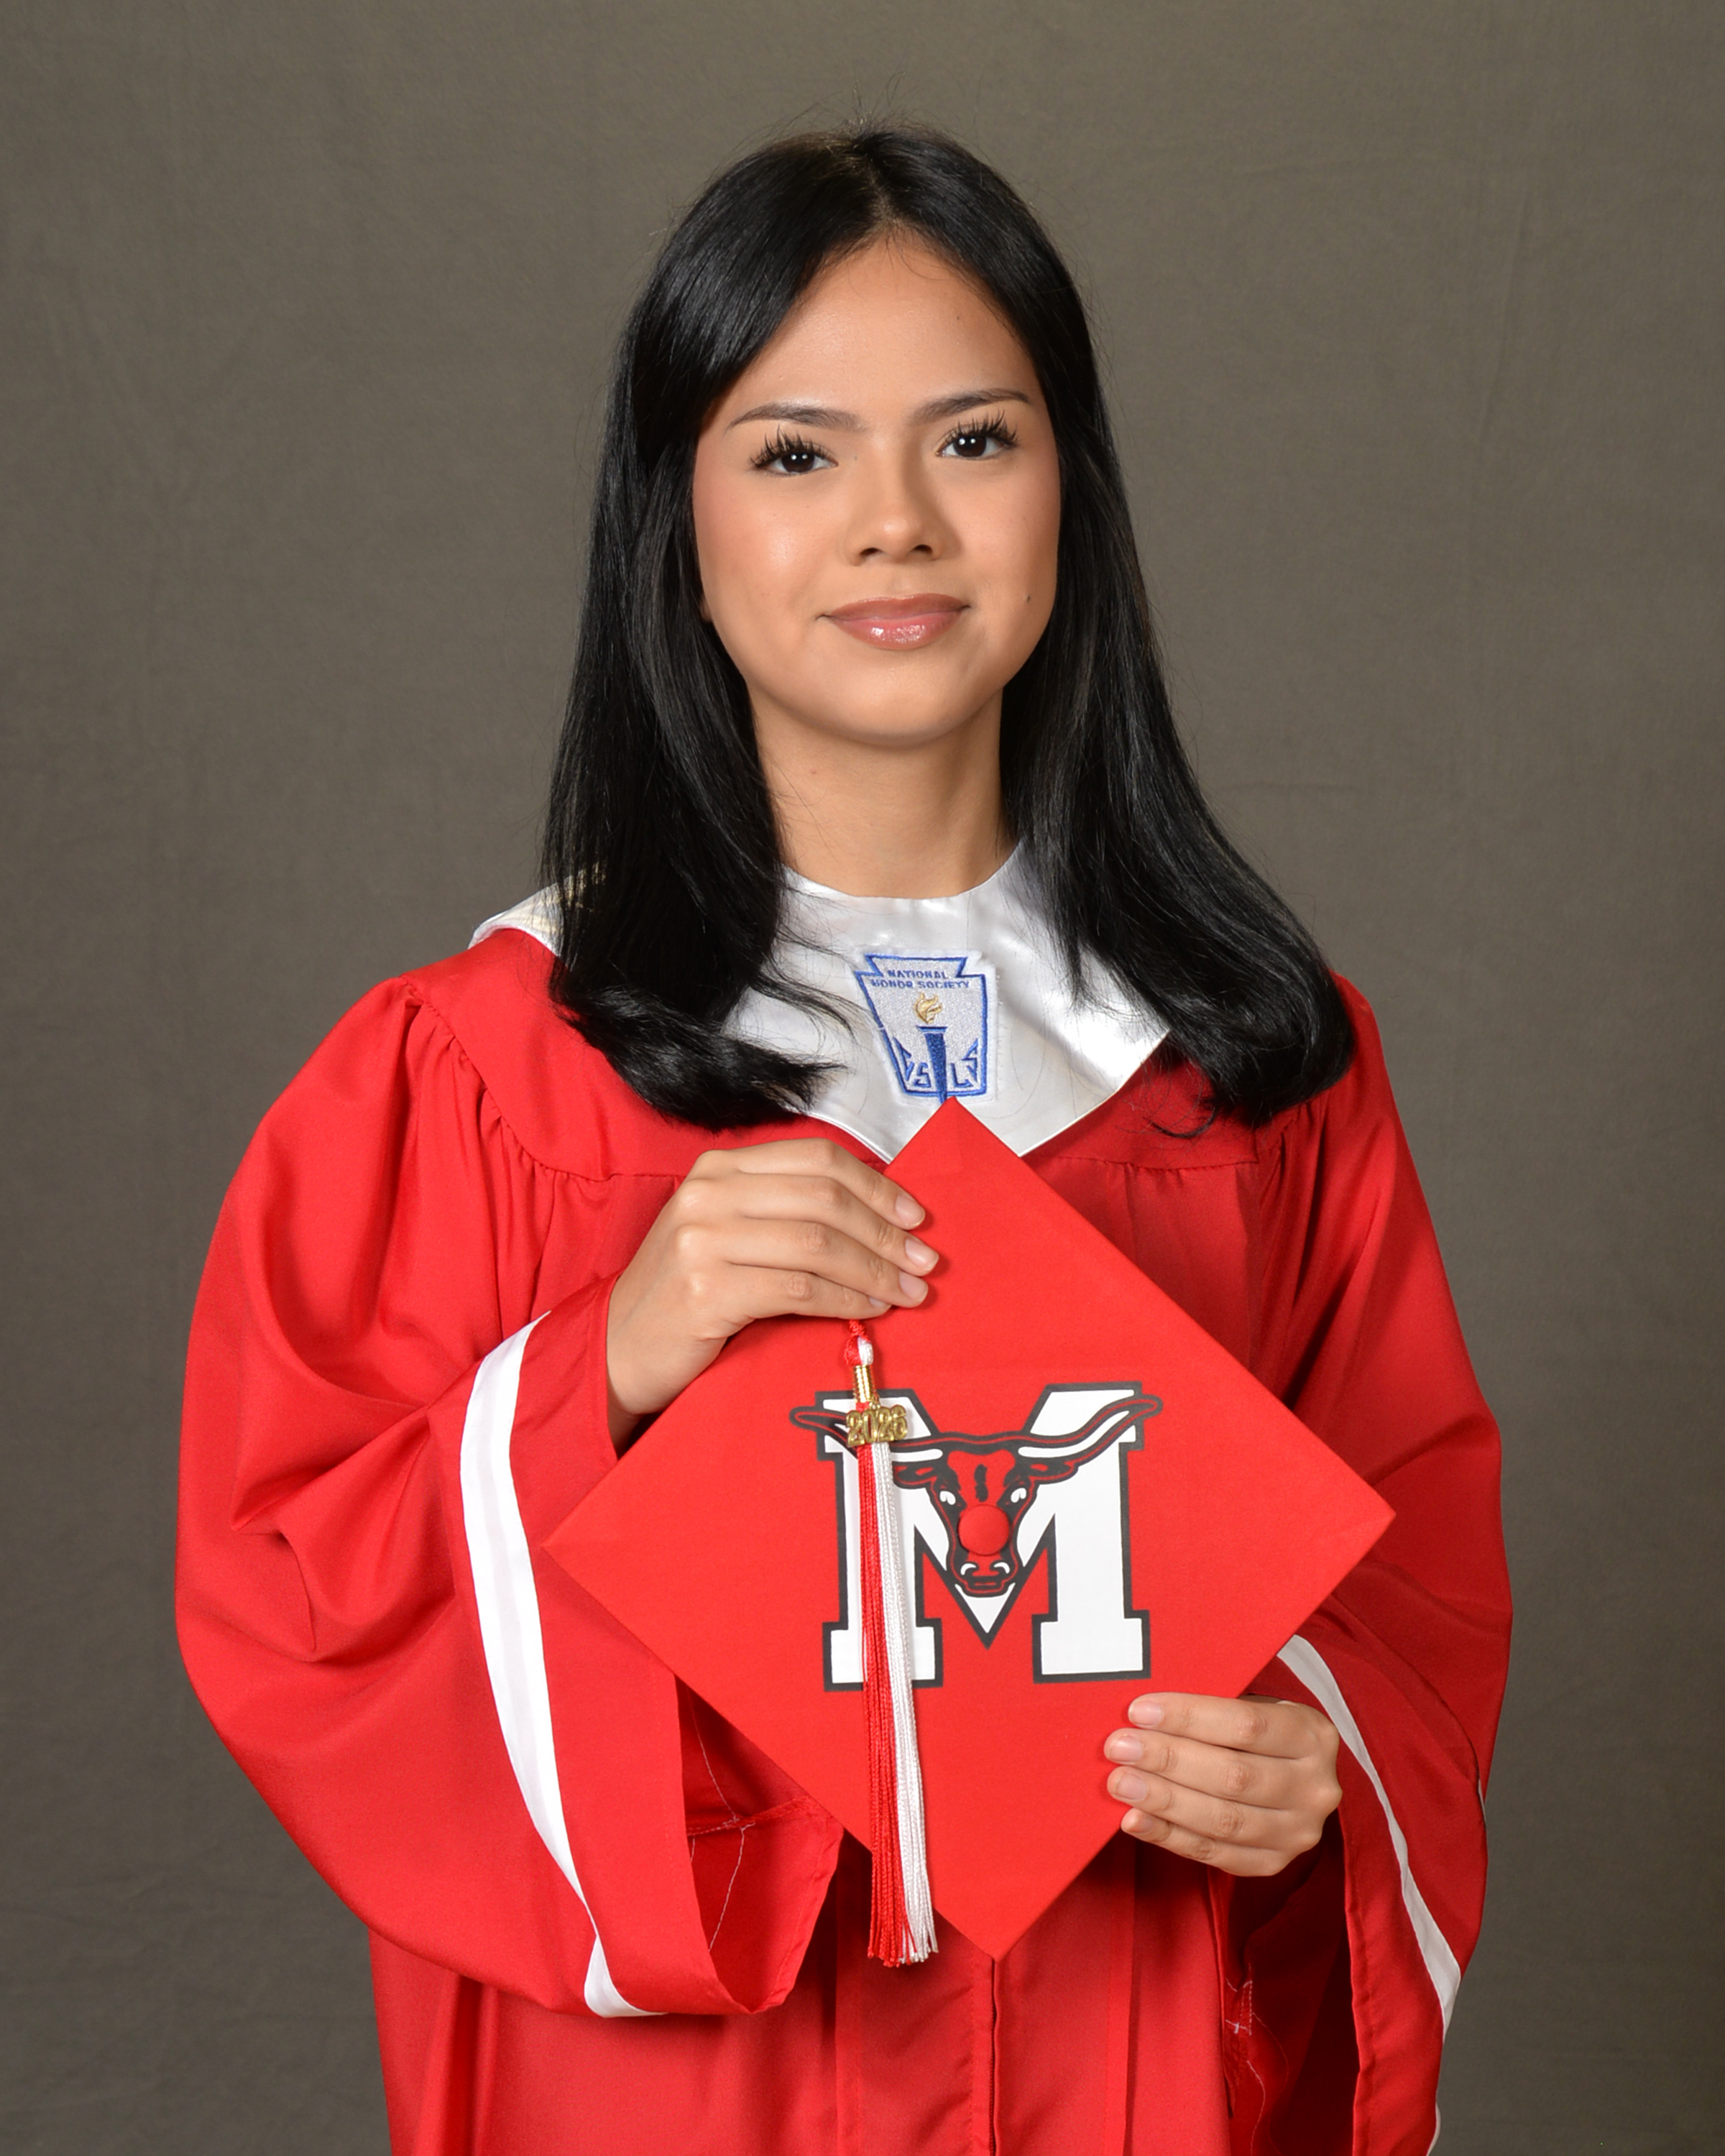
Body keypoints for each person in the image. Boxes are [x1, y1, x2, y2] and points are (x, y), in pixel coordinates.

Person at [177, 126, 1511, 2155]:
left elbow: (1410, 1578)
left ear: (1071, 492)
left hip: (1122, 2053)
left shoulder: (1253, 1071)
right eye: (797, 454)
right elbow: (295, 1593)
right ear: (677, 521)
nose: (897, 524)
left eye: (974, 441)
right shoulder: (486, 1074)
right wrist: (604, 1363)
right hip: (681, 2101)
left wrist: (1308, 1756)